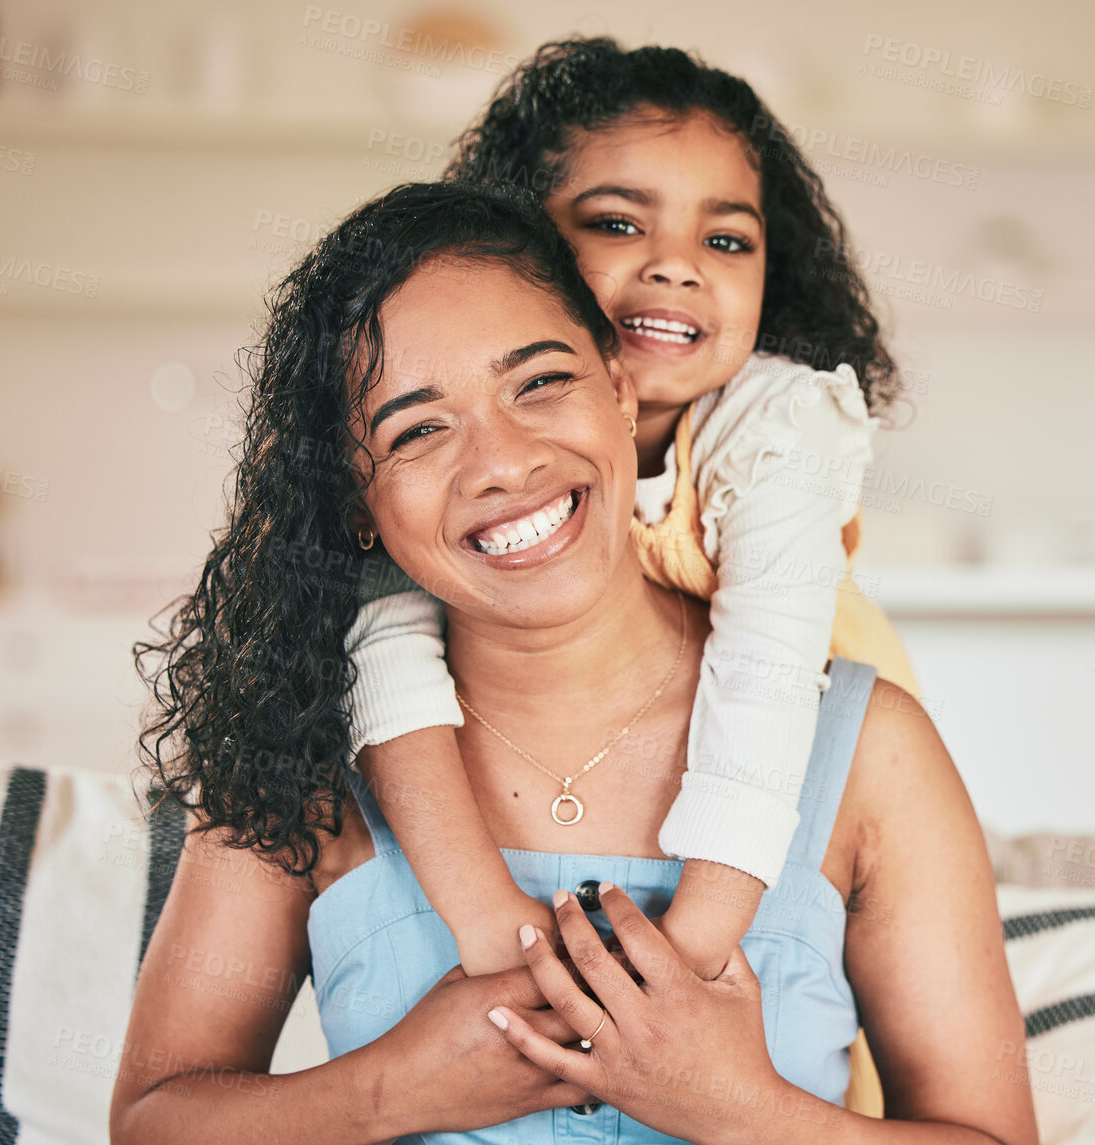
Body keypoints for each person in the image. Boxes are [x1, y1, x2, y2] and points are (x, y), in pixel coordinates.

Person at [115, 181, 1036, 1145]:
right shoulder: (302, 743)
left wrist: (738, 1108)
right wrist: (394, 1088)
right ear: (357, 501)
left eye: (541, 382)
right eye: (418, 429)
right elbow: (150, 1124)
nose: (503, 462)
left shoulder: (868, 752)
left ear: (620, 383)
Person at [344, 38, 918, 994]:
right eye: (618, 223)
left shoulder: (777, 425)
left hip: (788, 738)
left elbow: (767, 682)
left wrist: (676, 970)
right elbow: (387, 641)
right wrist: (492, 925)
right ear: (519, 239)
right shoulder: (456, 465)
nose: (677, 267)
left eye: (725, 240)